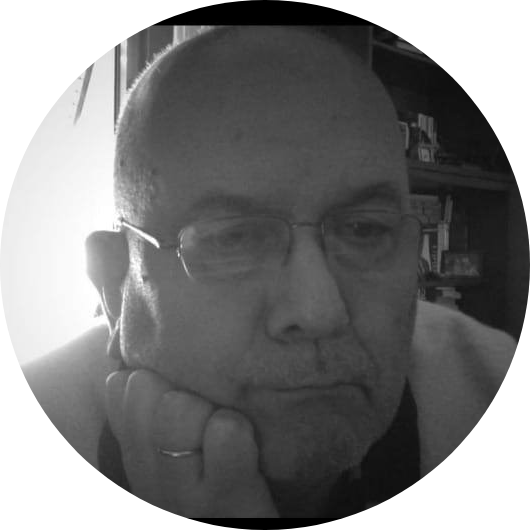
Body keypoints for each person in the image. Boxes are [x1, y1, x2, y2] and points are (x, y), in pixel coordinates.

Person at [21, 26, 516, 518]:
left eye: (365, 229)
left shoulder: (485, 384)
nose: (319, 312)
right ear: (115, 284)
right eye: (233, 239)